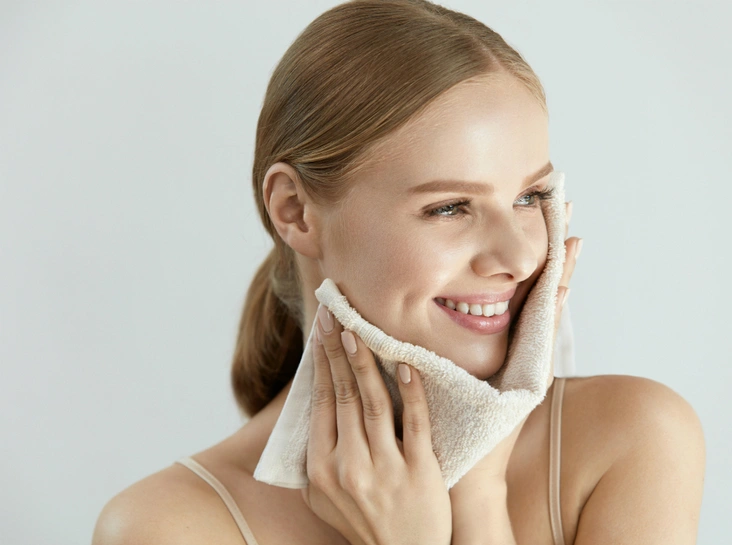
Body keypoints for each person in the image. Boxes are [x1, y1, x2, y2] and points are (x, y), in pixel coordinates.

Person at [92, 1, 705, 543]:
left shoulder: (632, 440)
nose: (519, 258)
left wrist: (480, 499)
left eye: (529, 197)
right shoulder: (169, 527)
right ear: (295, 210)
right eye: (449, 207)